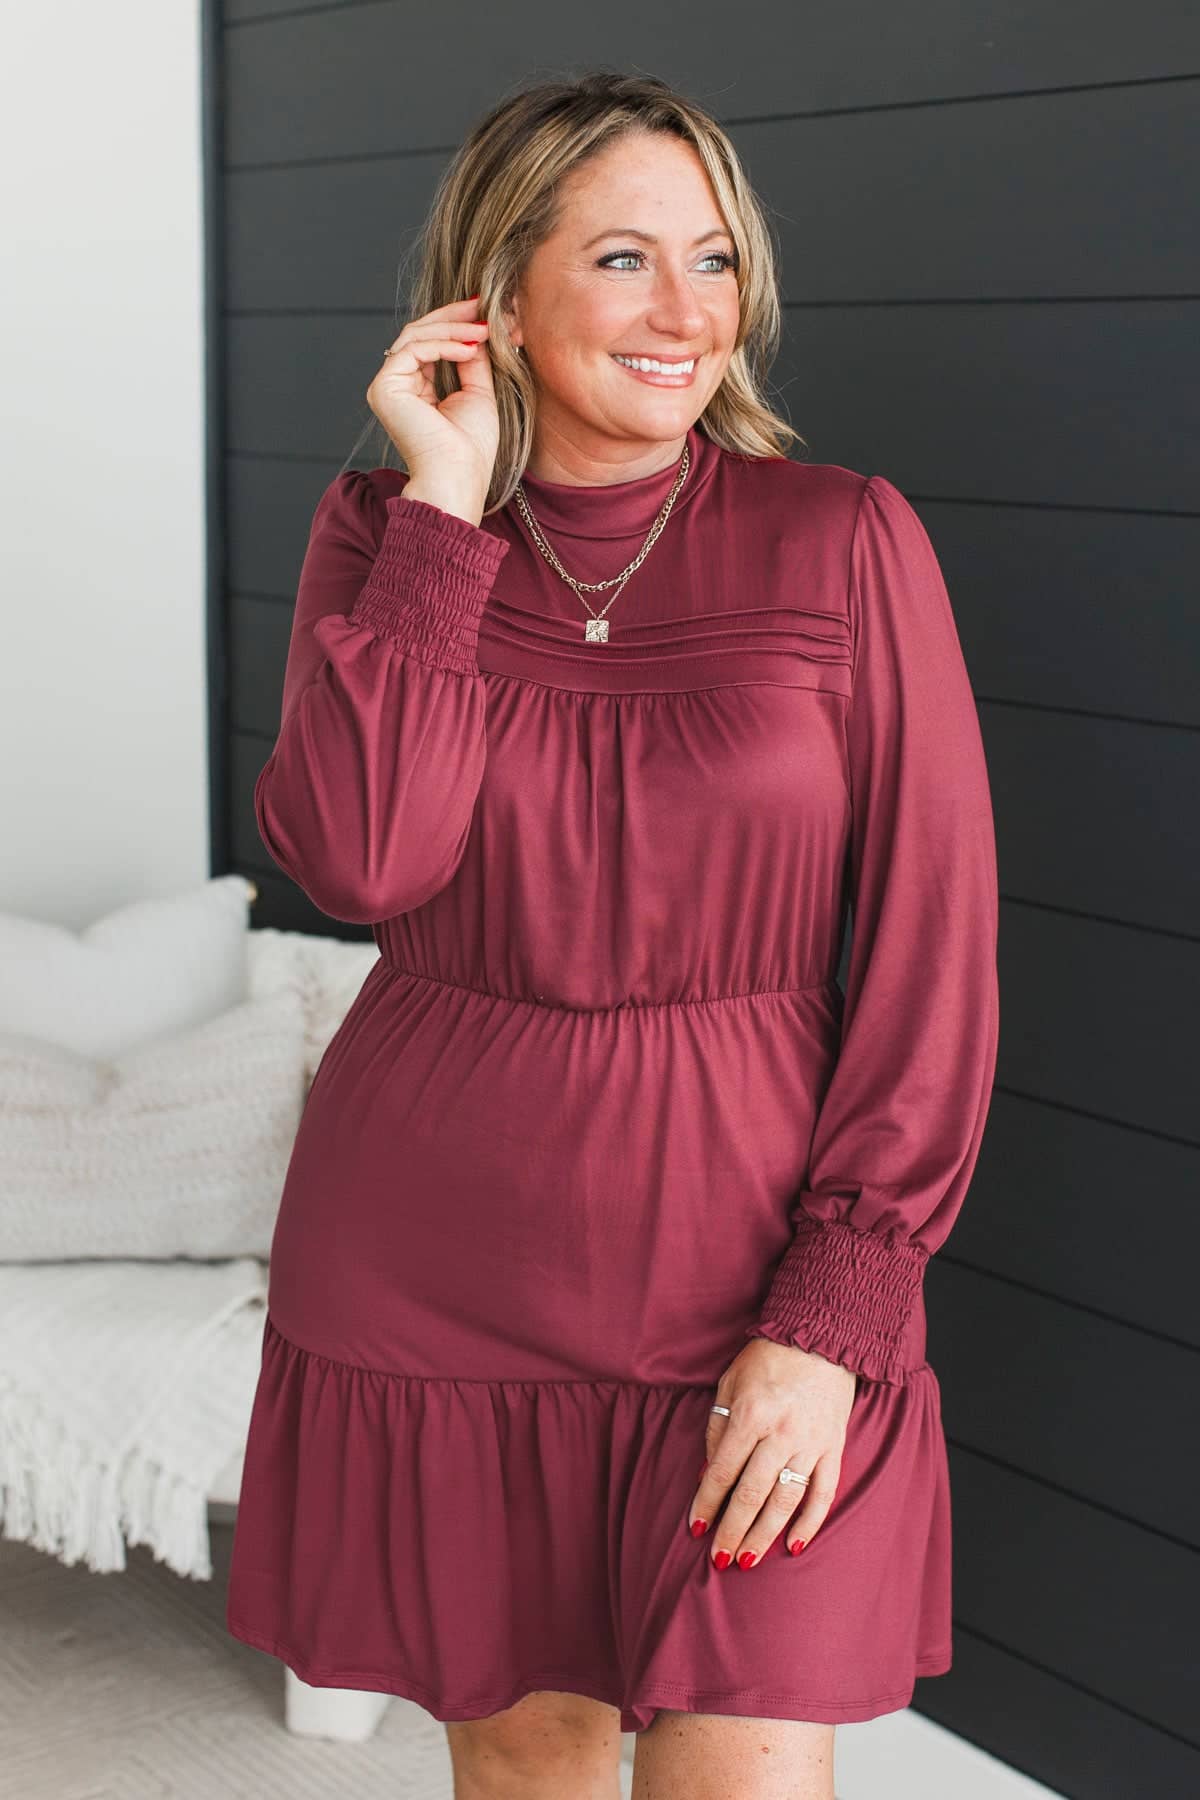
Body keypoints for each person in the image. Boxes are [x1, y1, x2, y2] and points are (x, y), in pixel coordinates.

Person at [225, 69, 1000, 1800]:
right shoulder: (384, 537)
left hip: (751, 1271)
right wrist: (442, 508)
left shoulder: (841, 537)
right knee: (527, 1770)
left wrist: (841, 1307)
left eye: (713, 261)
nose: (686, 314)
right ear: (497, 296)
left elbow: (933, 948)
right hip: (438, 1266)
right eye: (625, 259)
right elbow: (360, 858)